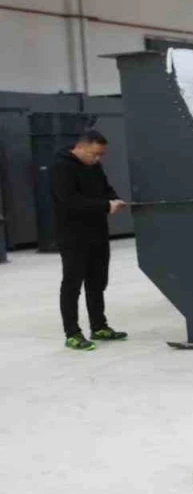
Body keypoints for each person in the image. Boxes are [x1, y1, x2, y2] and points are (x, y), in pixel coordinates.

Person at [51, 129, 129, 351]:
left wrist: (114, 199)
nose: (97, 159)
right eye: (94, 154)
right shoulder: (61, 167)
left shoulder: (94, 166)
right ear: (80, 147)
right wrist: (105, 205)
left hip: (97, 231)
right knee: (72, 283)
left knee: (97, 281)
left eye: (100, 155)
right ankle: (72, 334)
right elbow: (69, 200)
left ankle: (99, 326)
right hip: (73, 234)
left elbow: (105, 188)